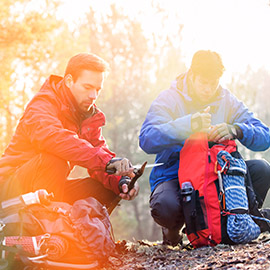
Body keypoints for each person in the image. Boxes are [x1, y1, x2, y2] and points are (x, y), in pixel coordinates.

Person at [139, 50, 270, 246]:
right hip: (175, 175)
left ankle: (236, 221)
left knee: (262, 169)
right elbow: (147, 139)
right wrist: (188, 125)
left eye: (213, 83)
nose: (209, 89)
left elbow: (264, 136)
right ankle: (173, 231)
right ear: (191, 75)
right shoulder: (169, 98)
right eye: (203, 83)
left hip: (218, 175)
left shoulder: (226, 100)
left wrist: (236, 130)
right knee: (166, 206)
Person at [0, 53, 139, 209]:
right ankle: (45, 229)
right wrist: (106, 161)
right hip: (10, 188)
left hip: (47, 189)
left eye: (97, 89)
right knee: (53, 159)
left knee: (106, 189)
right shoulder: (42, 105)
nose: (93, 95)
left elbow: (99, 154)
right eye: (87, 87)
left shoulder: (88, 117)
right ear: (69, 81)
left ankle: (75, 231)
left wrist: (121, 181)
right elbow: (56, 139)